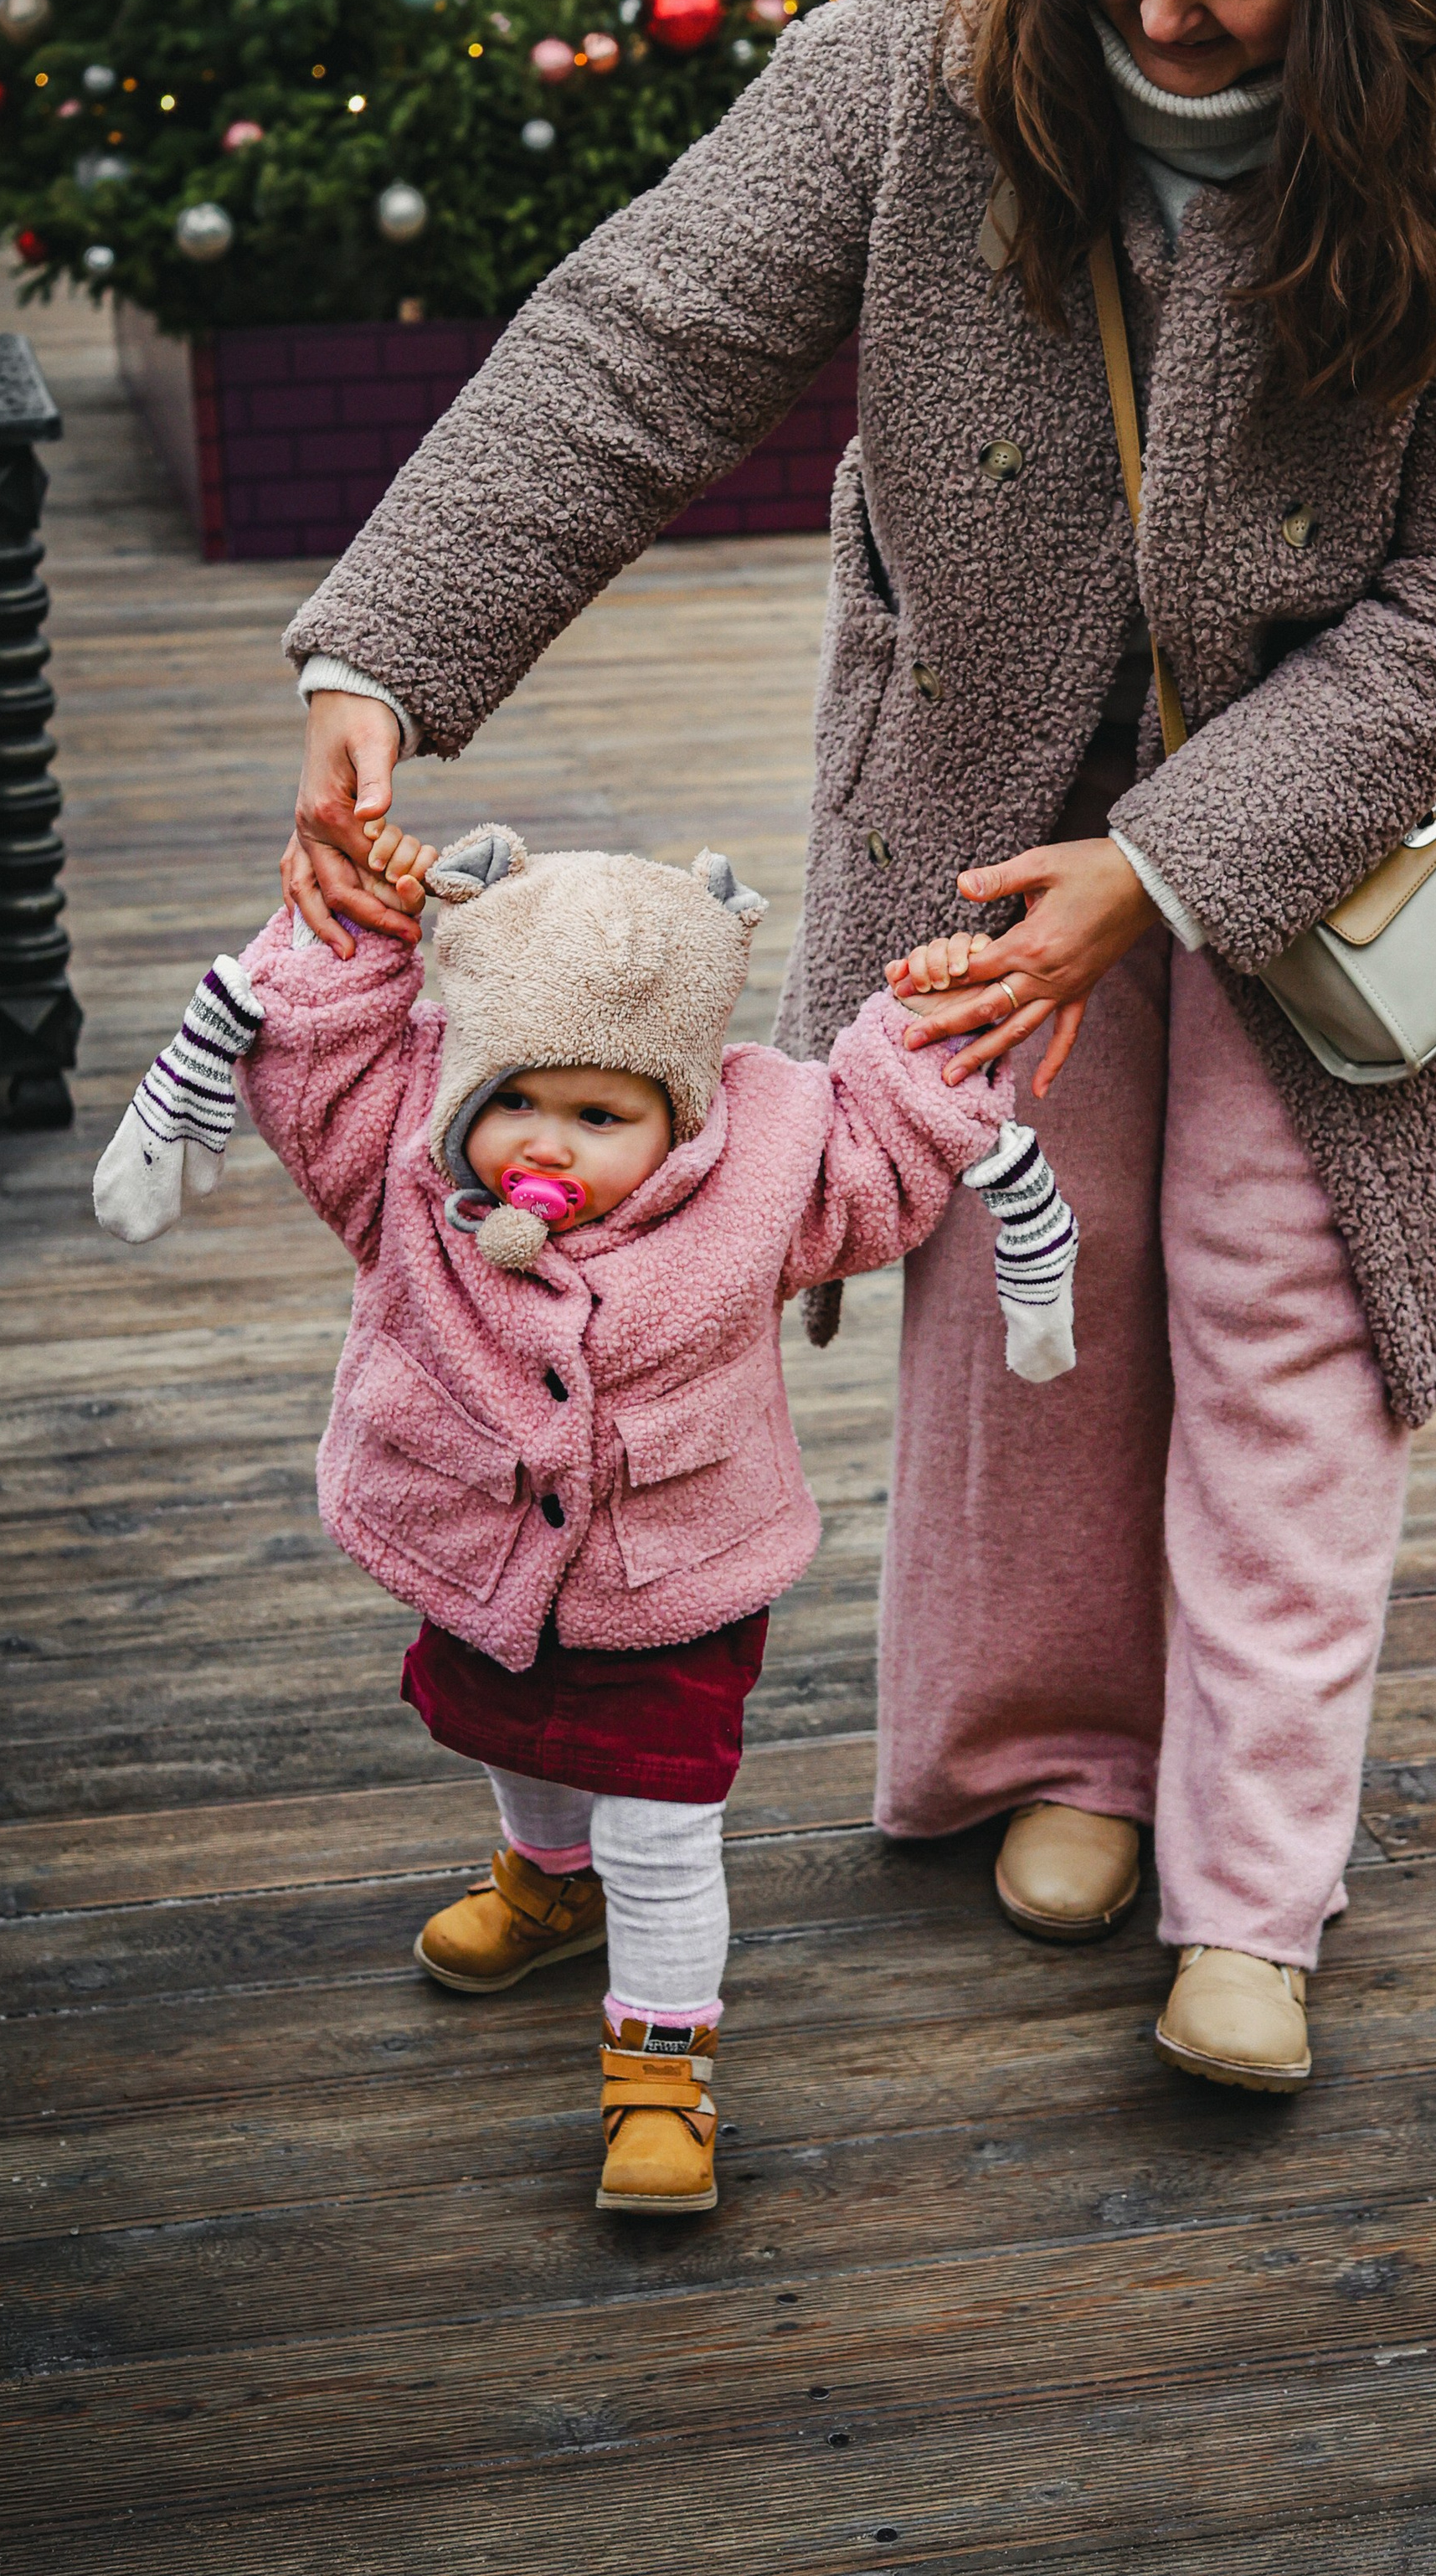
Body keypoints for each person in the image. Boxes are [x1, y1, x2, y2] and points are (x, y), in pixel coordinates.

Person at [281, 0, 1436, 2094]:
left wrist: (1175, 861)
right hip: (978, 798)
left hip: (1324, 826)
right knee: (1026, 1297)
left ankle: (1257, 1883)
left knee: (1287, 1314)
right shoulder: (937, 40)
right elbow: (645, 332)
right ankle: (1053, 1755)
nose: (1171, 4)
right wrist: (387, 648)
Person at [93, 821, 1074, 2210]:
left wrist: (931, 1015)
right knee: (516, 1732)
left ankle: (662, 2070)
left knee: (663, 1828)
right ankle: (550, 1880)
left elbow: (878, 1151)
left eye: (602, 1117)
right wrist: (362, 932)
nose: (544, 1144)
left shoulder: (760, 1184)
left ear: (682, 1116)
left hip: (673, 1574)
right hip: (481, 1550)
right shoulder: (407, 1161)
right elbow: (317, 1065)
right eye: (519, 1102)